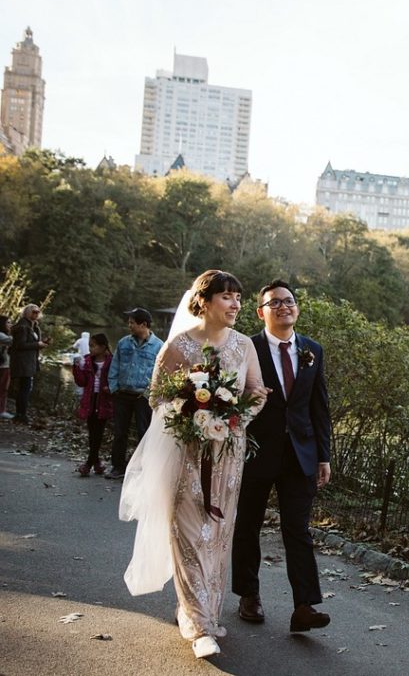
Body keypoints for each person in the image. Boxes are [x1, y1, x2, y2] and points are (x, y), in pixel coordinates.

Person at [119, 270, 268, 660]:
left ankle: (203, 611)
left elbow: (256, 393)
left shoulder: (244, 347)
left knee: (217, 538)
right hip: (185, 454)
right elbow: (155, 398)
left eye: (238, 297)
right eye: (227, 297)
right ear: (204, 301)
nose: (236, 304)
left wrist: (231, 420)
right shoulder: (178, 347)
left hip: (227, 453)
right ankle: (200, 626)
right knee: (188, 534)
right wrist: (190, 414)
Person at [232, 280, 332, 633]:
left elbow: (319, 407)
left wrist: (324, 456)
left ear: (297, 308)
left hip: (301, 455)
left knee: (298, 530)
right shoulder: (246, 348)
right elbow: (230, 399)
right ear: (261, 312)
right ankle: (248, 594)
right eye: (274, 303)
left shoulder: (312, 350)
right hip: (255, 452)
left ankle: (304, 606)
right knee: (247, 525)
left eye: (288, 301)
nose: (283, 306)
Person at [106, 308, 163, 480]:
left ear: (143, 324)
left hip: (143, 397)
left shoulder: (159, 346)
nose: (129, 325)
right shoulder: (124, 343)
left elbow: (160, 374)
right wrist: (114, 388)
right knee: (119, 433)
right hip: (123, 394)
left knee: (143, 433)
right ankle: (118, 467)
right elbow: (114, 366)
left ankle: (142, 469)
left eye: (132, 322)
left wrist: (149, 394)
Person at [72, 333, 113, 476]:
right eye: (90, 345)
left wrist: (110, 389)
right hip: (90, 399)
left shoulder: (111, 362)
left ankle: (89, 463)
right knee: (92, 432)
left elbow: (115, 380)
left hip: (104, 400)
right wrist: (77, 367)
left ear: (103, 347)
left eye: (93, 346)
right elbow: (81, 382)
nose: (90, 349)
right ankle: (96, 462)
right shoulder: (87, 361)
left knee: (99, 432)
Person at [9, 304, 50, 423]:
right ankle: (21, 415)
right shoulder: (23, 326)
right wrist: (38, 344)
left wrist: (42, 344)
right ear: (27, 312)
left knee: (25, 388)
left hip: (30, 361)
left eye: (38, 312)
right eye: (33, 312)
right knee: (25, 388)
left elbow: (32, 345)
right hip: (22, 362)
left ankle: (21, 414)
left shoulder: (34, 326)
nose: (36, 314)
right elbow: (20, 345)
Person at [0, 315, 12, 419]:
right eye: (8, 322)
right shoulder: (1, 335)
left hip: (4, 364)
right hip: (3, 365)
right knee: (3, 388)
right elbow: (13, 341)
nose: (10, 325)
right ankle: (1, 410)